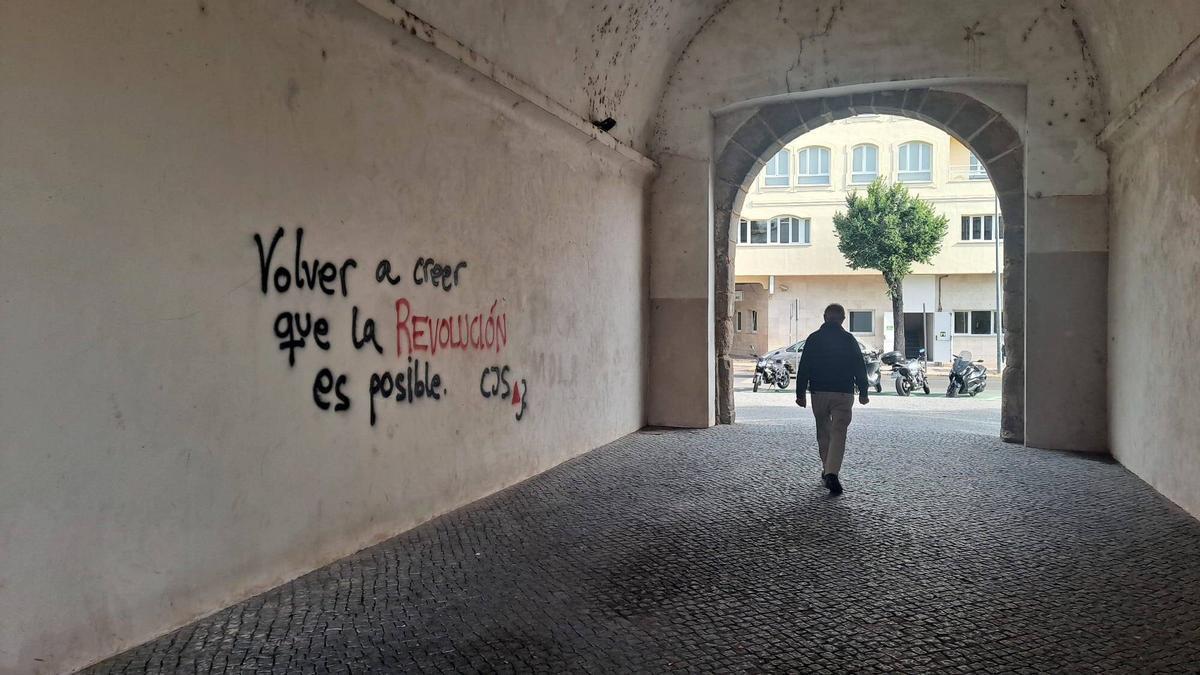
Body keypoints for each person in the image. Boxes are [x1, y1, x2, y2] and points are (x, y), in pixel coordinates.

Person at [795, 303, 869, 496]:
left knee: (823, 432)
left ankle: (827, 468)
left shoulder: (814, 339)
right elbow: (859, 366)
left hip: (819, 392)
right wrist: (863, 391)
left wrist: (800, 393)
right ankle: (832, 472)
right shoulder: (849, 339)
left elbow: (804, 367)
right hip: (843, 393)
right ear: (843, 319)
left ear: (824, 317)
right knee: (839, 433)